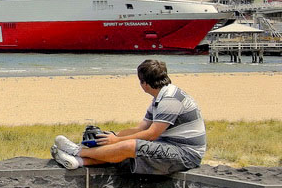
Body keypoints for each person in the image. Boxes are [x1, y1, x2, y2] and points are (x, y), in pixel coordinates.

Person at [51, 59, 206, 174]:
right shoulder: (160, 98)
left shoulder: (171, 99)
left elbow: (152, 134)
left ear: (144, 83)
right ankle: (77, 161)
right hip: (171, 147)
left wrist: (118, 141)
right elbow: (140, 128)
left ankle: (77, 151)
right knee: (121, 151)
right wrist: (110, 137)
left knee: (130, 147)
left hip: (185, 155)